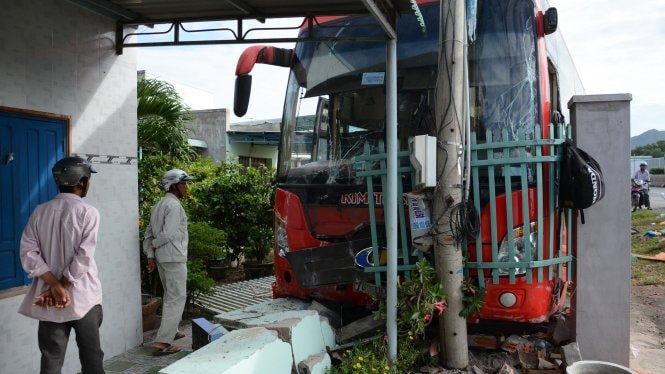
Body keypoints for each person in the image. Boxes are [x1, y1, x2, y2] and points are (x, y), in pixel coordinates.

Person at [18, 156, 104, 373]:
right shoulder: (88, 212)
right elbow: (84, 257)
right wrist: (61, 287)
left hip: (49, 299)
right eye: (88, 178)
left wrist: (53, 286)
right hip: (84, 297)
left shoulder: (40, 211)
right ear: (82, 181)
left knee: (51, 359)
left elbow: (27, 251)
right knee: (92, 357)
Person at [142, 169, 193, 356]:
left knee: (170, 295)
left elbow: (147, 234)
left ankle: (172, 330)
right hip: (174, 257)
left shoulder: (158, 206)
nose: (186, 188)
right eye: (184, 184)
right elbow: (168, 235)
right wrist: (154, 247)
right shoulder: (174, 206)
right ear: (174, 186)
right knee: (177, 297)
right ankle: (163, 342)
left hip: (164, 259)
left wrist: (150, 255)